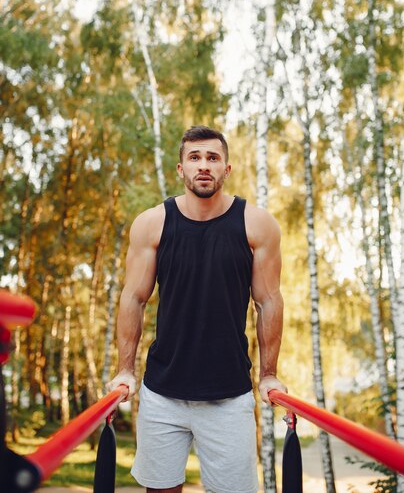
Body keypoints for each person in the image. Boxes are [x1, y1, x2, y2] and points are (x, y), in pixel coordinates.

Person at [107, 125, 286, 493]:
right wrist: (125, 370)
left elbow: (268, 301)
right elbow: (133, 298)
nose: (203, 165)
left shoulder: (257, 224)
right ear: (181, 168)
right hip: (162, 393)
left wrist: (268, 373)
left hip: (229, 394)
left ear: (227, 168)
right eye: (195, 157)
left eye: (212, 158)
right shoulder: (152, 224)